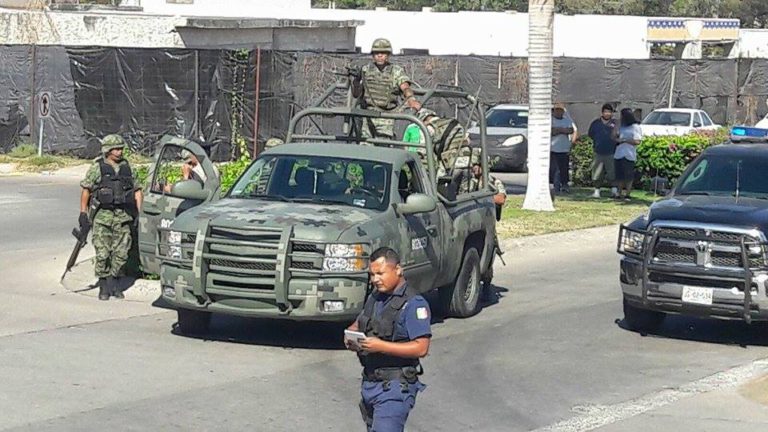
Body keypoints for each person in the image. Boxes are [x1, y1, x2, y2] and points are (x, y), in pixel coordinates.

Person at [346, 247, 431, 432]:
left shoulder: (414, 304)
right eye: (372, 274)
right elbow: (359, 322)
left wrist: (380, 346)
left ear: (398, 269)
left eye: (380, 273)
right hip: (370, 384)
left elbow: (421, 348)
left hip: (394, 388)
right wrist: (352, 336)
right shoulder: (375, 297)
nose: (375, 279)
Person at [79, 134, 143, 300]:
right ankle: (103, 285)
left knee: (121, 254)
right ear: (107, 150)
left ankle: (115, 282)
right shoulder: (97, 168)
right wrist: (83, 213)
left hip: (123, 217)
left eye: (121, 148)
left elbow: (137, 191)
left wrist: (139, 213)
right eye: (115, 149)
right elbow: (86, 190)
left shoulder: (128, 168)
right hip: (103, 217)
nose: (119, 152)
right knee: (103, 253)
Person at [351, 38, 422, 139]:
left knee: (383, 145)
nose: (380, 55)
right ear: (373, 55)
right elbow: (356, 94)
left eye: (383, 53)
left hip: (386, 116)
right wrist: (356, 81)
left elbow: (405, 86)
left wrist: (411, 99)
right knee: (365, 147)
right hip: (367, 115)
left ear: (388, 55)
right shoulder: (365, 70)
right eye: (376, 53)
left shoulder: (395, 71)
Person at [413, 108, 466, 176]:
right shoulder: (453, 123)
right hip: (466, 162)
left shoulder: (428, 128)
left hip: (448, 165)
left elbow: (423, 151)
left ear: (423, 120)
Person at [458, 150, 507, 220]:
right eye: (473, 165)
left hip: (487, 217)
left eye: (478, 165)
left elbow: (500, 199)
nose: (475, 168)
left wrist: (481, 197)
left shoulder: (494, 182)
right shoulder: (468, 182)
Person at [587, 103, 618, 198]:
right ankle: (597, 191)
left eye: (609, 112)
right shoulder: (595, 123)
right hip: (598, 152)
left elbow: (619, 135)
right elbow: (591, 134)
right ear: (602, 112)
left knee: (612, 172)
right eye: (606, 112)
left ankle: (614, 190)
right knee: (597, 173)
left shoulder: (615, 123)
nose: (607, 114)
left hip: (611, 152)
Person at [613, 108, 642, 201]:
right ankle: (619, 192)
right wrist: (616, 127)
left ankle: (628, 193)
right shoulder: (620, 126)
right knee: (619, 175)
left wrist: (625, 140)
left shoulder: (635, 127)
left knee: (628, 176)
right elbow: (613, 137)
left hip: (629, 154)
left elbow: (637, 141)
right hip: (619, 153)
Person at [550, 102, 575, 193]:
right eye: (557, 110)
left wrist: (559, 129)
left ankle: (565, 185)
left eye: (561, 110)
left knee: (564, 168)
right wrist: (562, 130)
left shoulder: (566, 120)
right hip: (553, 149)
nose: (559, 112)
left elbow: (571, 130)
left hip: (564, 149)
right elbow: (552, 131)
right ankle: (555, 186)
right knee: (554, 169)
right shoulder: (550, 120)